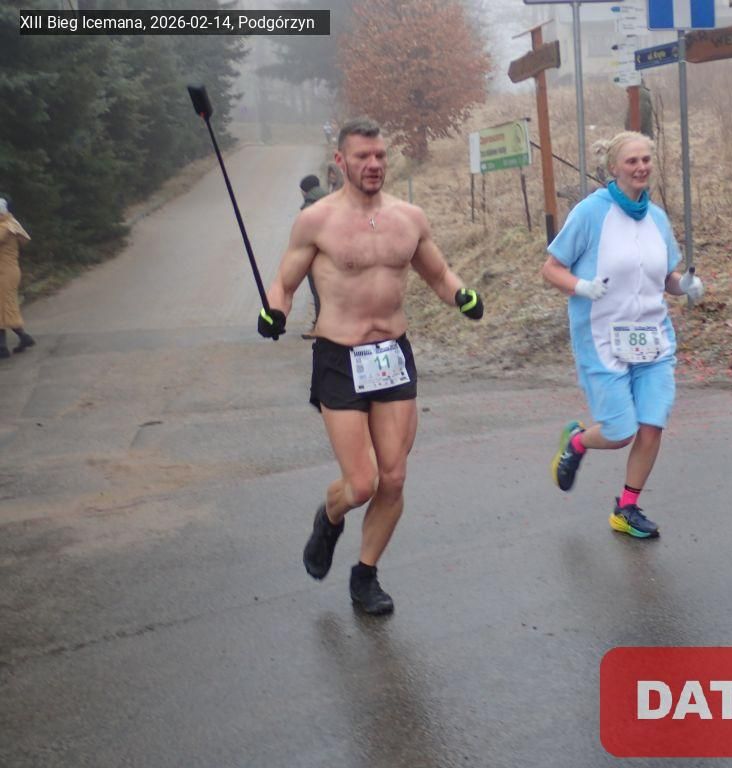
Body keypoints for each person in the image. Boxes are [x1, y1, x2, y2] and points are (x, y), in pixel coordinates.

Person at [257, 117, 484, 614]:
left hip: (391, 356)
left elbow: (439, 274)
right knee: (361, 484)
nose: (374, 164)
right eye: (363, 156)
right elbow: (284, 284)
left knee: (394, 478)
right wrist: (273, 312)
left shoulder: (409, 217)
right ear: (341, 161)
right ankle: (329, 517)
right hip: (339, 357)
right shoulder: (316, 220)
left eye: (380, 155)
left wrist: (462, 296)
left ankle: (365, 576)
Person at [540, 131, 704, 538]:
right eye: (632, 161)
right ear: (614, 167)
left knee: (652, 423)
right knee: (619, 431)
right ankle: (577, 442)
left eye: (646, 159)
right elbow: (551, 269)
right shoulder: (590, 213)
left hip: (653, 338)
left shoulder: (657, 218)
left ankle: (626, 509)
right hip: (602, 338)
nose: (641, 167)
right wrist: (581, 286)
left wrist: (684, 285)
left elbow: (665, 278)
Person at [0, 197, 35, 359]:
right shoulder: (11, 223)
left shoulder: (5, 227)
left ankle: (4, 347)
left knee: (4, 307)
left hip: (5, 272)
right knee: (5, 306)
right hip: (8, 271)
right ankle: (21, 338)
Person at [299, 174, 327, 333]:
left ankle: (320, 327)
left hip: (317, 257)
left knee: (318, 293)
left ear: (305, 191)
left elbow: (305, 238)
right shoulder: (332, 200)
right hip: (335, 256)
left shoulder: (308, 209)